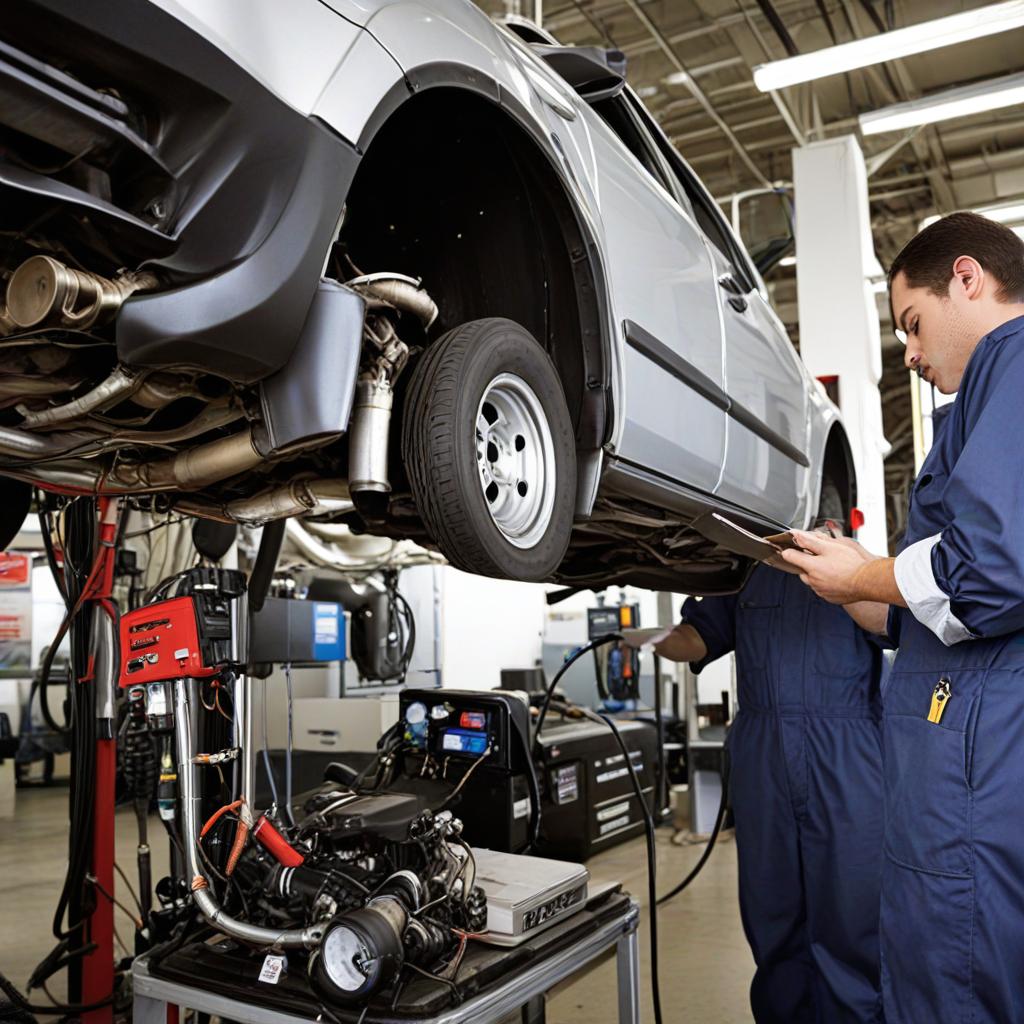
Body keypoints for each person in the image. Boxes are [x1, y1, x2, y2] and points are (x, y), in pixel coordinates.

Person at [782, 211, 1024, 1024]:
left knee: (955, 984)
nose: (910, 354)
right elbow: (937, 612)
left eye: (912, 325)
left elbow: (989, 575)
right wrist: (852, 588)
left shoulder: (1015, 362)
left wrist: (869, 571)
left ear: (968, 278)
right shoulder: (987, 400)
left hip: (974, 777)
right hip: (958, 760)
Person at [653, 521, 887, 1023]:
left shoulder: (855, 558)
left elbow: (892, 622)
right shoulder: (741, 568)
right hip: (764, 753)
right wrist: (650, 637)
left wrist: (860, 576)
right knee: (772, 911)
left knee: (852, 915)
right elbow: (698, 639)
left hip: (845, 753)